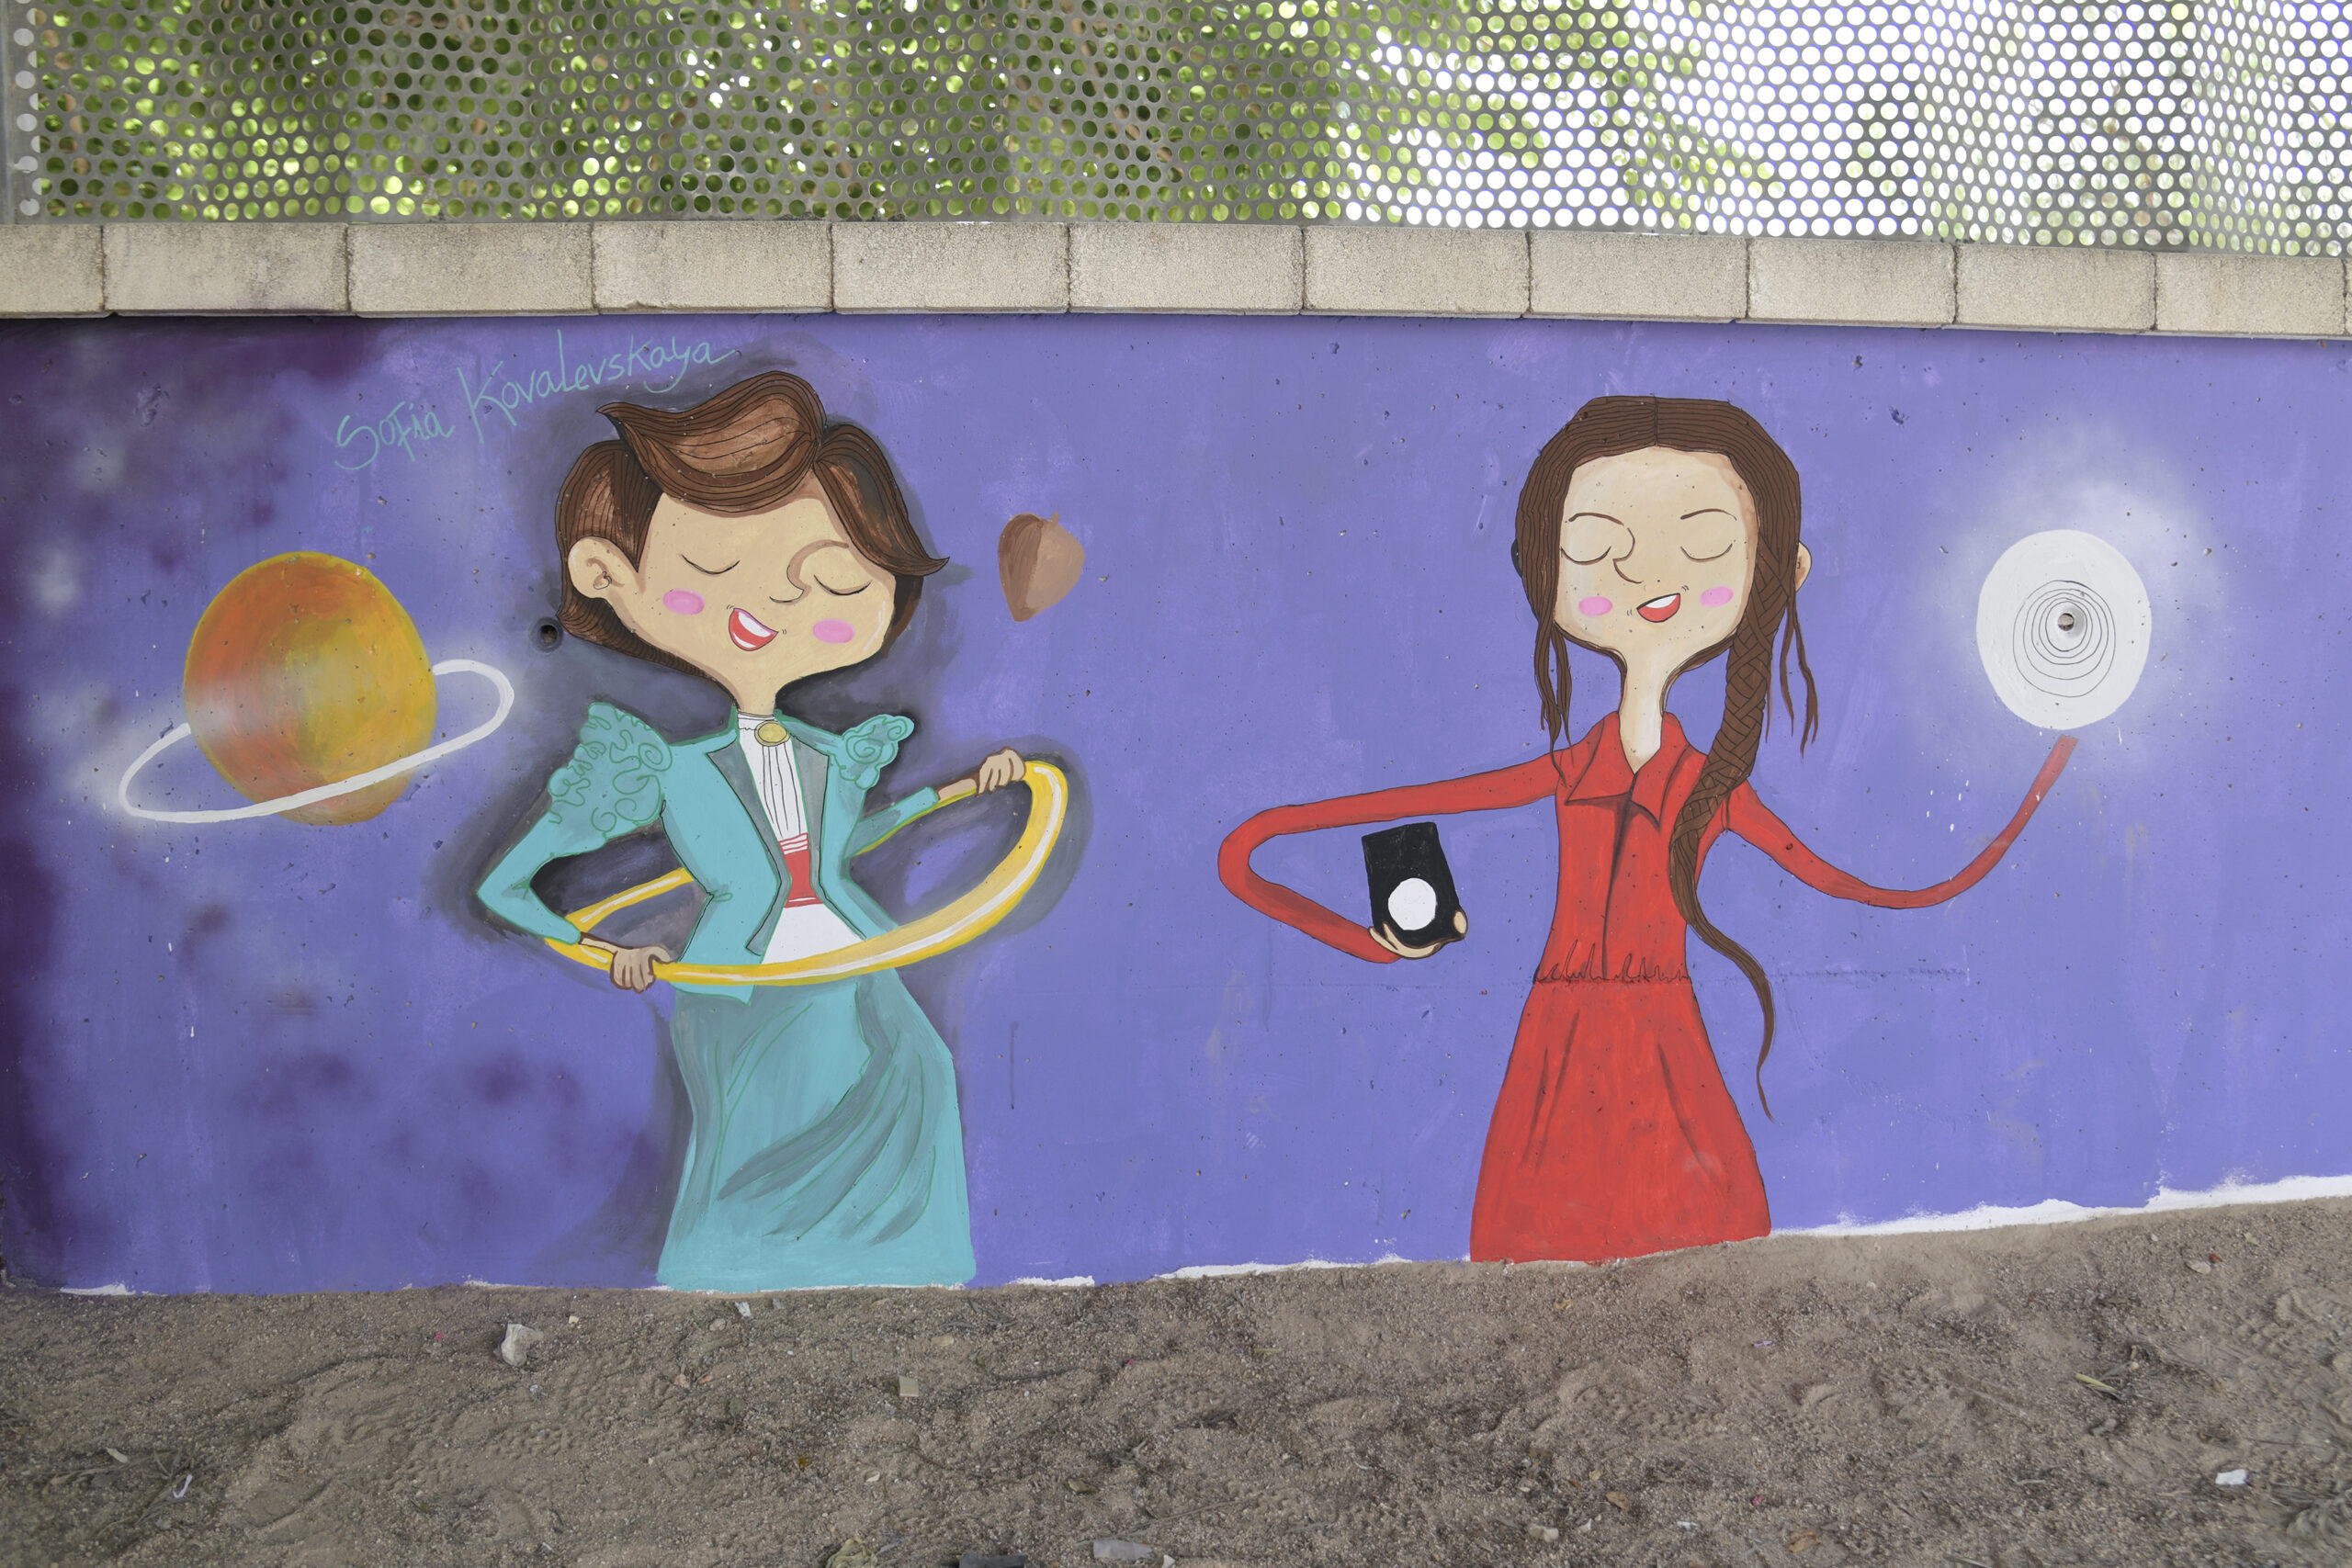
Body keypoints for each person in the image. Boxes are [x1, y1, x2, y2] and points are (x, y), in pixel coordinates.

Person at [1218, 395, 2073, 1264]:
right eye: (1594, 547)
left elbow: (1882, 888)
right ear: (1537, 565)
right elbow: (1252, 849)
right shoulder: (1567, 774)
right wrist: (1377, 941)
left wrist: (2039, 781)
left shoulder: (1715, 791)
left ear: (1783, 569)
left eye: (1704, 543)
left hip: (1662, 1045)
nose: (1645, 575)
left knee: (1698, 1254)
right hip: (1558, 1046)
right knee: (1535, 1253)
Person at [477, 370, 1024, 1290]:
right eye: (716, 572)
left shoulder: (828, 751)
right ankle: (732, 1272)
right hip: (742, 984)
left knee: (921, 1067)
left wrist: (962, 792)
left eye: (833, 581)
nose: (777, 610)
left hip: (850, 954)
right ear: (608, 575)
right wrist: (607, 950)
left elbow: (840, 846)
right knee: (765, 1132)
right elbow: (505, 886)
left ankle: (910, 1267)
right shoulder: (665, 768)